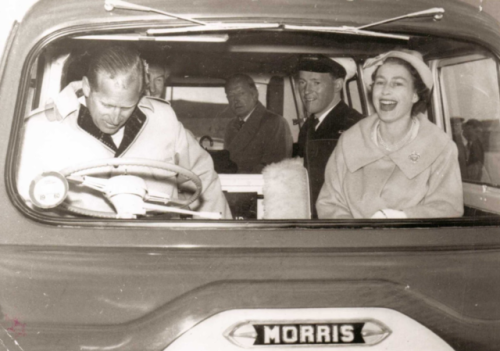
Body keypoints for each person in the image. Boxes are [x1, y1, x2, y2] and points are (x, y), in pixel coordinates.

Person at [17, 45, 231, 219]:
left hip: (157, 247)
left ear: (139, 95)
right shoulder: (41, 129)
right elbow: (20, 206)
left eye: (126, 108)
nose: (115, 117)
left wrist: (216, 243)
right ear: (87, 87)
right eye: (107, 105)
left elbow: (203, 179)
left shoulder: (164, 120)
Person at [317, 50, 463, 219]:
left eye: (397, 84)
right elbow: (329, 203)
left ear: (415, 94)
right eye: (380, 83)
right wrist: (355, 234)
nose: (385, 91)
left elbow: (448, 207)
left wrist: (404, 218)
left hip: (412, 242)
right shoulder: (349, 140)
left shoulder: (439, 146)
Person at [295, 55, 363, 218]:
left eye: (316, 83)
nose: (306, 91)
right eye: (302, 82)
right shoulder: (308, 126)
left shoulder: (354, 125)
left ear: (338, 84)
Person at [223, 74, 293, 173]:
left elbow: (274, 170)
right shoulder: (231, 126)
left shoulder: (275, 123)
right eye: (231, 95)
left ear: (254, 94)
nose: (235, 100)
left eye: (241, 93)